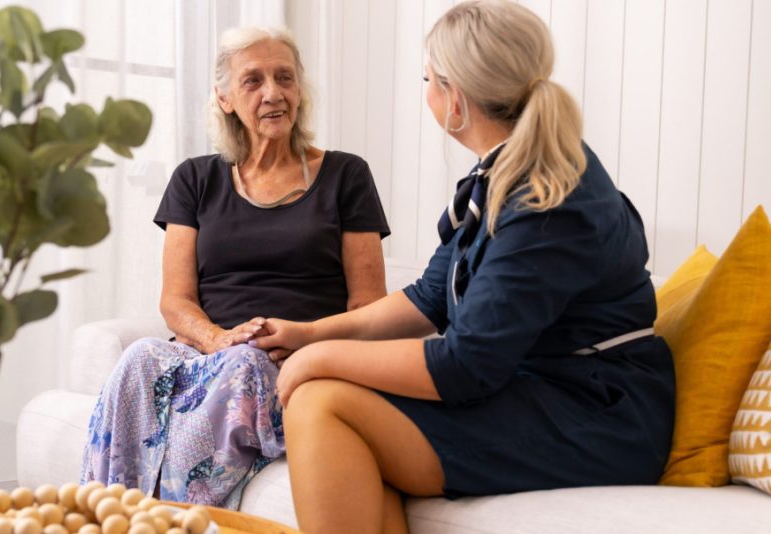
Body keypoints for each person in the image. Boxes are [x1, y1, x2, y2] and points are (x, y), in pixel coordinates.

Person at [249, 1, 676, 532]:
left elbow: (465, 366)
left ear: (455, 97)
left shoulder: (547, 199)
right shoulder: (503, 175)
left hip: (598, 413)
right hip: (540, 386)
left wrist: (321, 358)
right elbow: (429, 296)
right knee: (325, 402)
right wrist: (312, 335)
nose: (424, 90)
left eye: (427, 79)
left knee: (320, 403)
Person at [80, 26, 391, 509]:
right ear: (224, 98)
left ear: (300, 89)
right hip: (208, 354)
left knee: (245, 364)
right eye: (253, 81)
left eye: (284, 78)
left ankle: (179, 518)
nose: (274, 93)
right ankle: (106, 513)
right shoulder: (196, 178)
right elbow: (176, 300)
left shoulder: (346, 175)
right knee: (141, 356)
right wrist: (216, 339)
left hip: (291, 361)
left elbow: (369, 308)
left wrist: (301, 340)